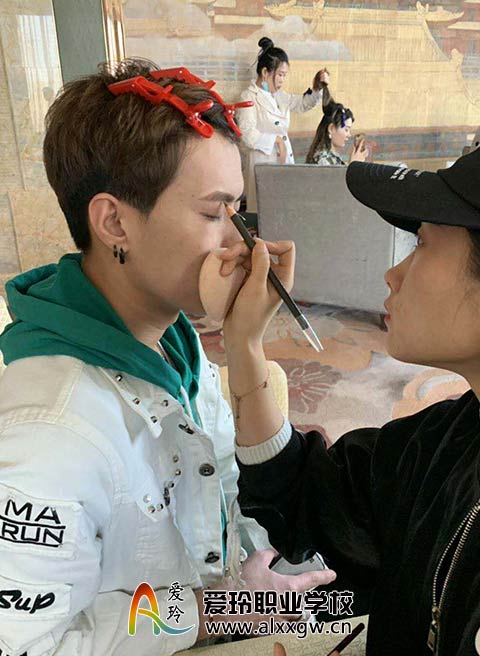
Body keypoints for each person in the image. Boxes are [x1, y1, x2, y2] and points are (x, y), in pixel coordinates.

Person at [0, 59, 335, 656]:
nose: (240, 242)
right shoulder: (48, 436)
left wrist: (245, 345)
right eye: (213, 213)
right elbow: (29, 646)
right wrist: (223, 612)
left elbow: (222, 473)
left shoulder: (172, 338)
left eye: (238, 211)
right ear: (114, 222)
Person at [216, 151, 480, 655]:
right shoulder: (447, 436)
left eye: (422, 244)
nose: (393, 274)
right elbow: (314, 498)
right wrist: (244, 343)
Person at [237, 37, 330, 212]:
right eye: (280, 75)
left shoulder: (279, 96)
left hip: (283, 162)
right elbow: (246, 133)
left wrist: (317, 88)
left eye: (284, 75)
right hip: (262, 164)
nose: (282, 80)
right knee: (265, 212)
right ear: (265, 72)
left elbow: (302, 104)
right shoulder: (248, 97)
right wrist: (276, 140)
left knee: (284, 210)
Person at [305, 100, 368, 166]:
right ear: (331, 128)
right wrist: (353, 165)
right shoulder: (323, 159)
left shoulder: (331, 156)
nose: (349, 135)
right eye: (346, 130)